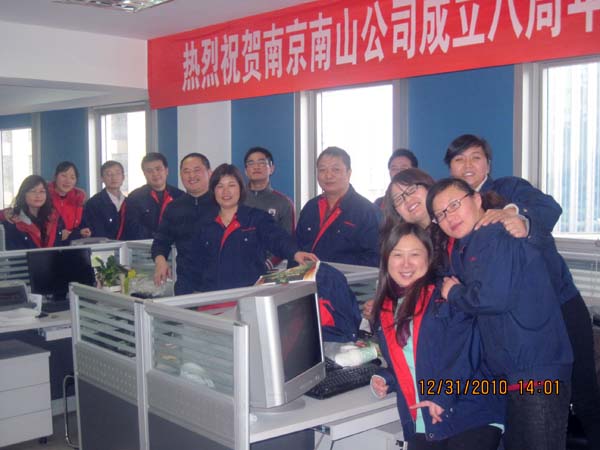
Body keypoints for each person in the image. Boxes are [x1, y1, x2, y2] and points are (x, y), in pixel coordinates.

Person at [445, 134, 600, 449]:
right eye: (459, 159)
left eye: (476, 157)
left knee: (584, 392)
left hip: (558, 305)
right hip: (508, 326)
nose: (467, 165)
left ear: (488, 164)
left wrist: (516, 215)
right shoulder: (452, 211)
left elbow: (549, 208)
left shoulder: (509, 188)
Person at [427, 177, 573, 450]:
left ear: (477, 199)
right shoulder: (466, 246)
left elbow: (493, 298)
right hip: (514, 373)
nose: (449, 217)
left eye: (454, 205)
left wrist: (454, 293)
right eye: (441, 214)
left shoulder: (494, 233)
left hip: (536, 374)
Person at [370, 223, 504, 449]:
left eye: (415, 254)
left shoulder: (445, 295)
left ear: (429, 258)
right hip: (425, 418)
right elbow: (416, 360)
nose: (405, 264)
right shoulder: (386, 309)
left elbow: (467, 353)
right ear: (386, 260)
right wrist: (387, 379)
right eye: (397, 255)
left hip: (468, 411)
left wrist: (443, 396)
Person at [192, 164, 317, 292]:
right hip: (213, 297)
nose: (226, 191)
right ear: (213, 191)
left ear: (241, 189)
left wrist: (295, 253)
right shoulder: (204, 224)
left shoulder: (256, 218)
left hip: (249, 295)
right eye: (220, 186)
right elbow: (194, 262)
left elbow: (277, 238)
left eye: (231, 185)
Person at [296, 146, 381, 267]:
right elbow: (297, 247)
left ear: (349, 173)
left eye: (335, 170)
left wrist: (331, 268)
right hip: (307, 277)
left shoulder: (367, 211)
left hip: (349, 277)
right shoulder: (310, 207)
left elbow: (374, 258)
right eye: (322, 170)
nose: (328, 175)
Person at [151, 153, 218, 295]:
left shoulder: (222, 204)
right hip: (186, 285)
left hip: (219, 286)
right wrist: (160, 261)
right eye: (186, 171)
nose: (191, 176)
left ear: (209, 173)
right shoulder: (174, 207)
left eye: (197, 170)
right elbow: (160, 241)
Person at [243, 146, 296, 269]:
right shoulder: (236, 199)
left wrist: (268, 264)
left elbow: (288, 241)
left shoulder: (284, 203)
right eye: (251, 163)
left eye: (262, 162)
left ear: (271, 169)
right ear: (246, 171)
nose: (256, 167)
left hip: (271, 268)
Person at [121, 152, 184, 240]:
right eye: (149, 171)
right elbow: (133, 227)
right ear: (144, 174)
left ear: (166, 171)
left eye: (158, 169)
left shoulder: (180, 196)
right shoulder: (135, 198)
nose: (155, 174)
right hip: (144, 246)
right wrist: (159, 237)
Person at [1, 175, 66, 250]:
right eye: (33, 191)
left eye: (42, 191)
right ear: (24, 194)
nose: (38, 195)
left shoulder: (55, 218)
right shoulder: (12, 220)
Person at [80, 160, 126, 239]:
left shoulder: (130, 202)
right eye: (109, 174)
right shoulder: (94, 203)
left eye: (117, 173)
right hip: (104, 245)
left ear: (123, 177)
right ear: (102, 178)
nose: (114, 177)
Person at [48, 161, 87, 242]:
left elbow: (79, 226)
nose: (68, 181)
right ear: (55, 176)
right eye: (64, 176)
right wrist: (58, 233)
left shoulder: (79, 199)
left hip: (73, 244)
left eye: (72, 177)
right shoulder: (44, 198)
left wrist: (82, 232)